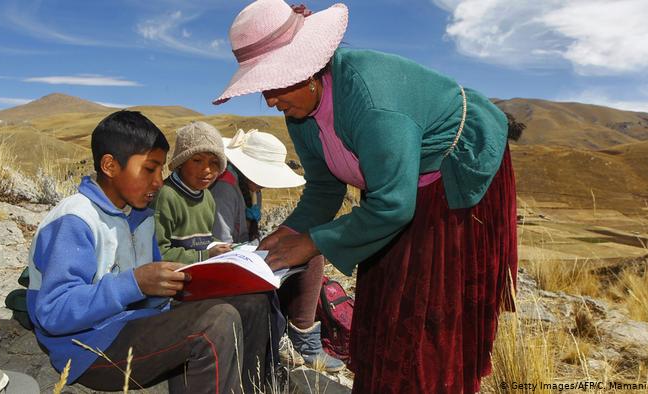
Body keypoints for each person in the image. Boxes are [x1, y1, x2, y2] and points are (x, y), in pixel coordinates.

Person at [213, 1, 519, 393]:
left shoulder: (373, 102)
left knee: (430, 305)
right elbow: (325, 187)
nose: (270, 101)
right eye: (263, 89)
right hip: (396, 189)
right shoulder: (301, 115)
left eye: (273, 84)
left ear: (305, 69)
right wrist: (288, 232)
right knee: (387, 297)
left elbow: (392, 205)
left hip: (451, 177)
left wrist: (311, 243)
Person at [26, 111, 270, 393]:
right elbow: (53, 311)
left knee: (253, 302)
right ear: (110, 165)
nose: (158, 181)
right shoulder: (75, 219)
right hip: (91, 348)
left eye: (161, 170)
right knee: (216, 322)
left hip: (141, 322)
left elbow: (155, 286)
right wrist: (134, 283)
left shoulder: (141, 216)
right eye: (150, 169)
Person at [210, 128, 344, 372]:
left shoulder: (248, 190)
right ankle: (298, 339)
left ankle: (302, 336)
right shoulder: (225, 190)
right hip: (231, 267)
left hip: (246, 256)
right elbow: (220, 244)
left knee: (310, 251)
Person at [151, 121, 232, 263]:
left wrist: (220, 247)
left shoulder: (207, 196)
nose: (207, 169)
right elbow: (157, 252)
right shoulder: (166, 195)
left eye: (214, 162)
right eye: (197, 160)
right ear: (180, 163)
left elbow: (202, 240)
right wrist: (205, 256)